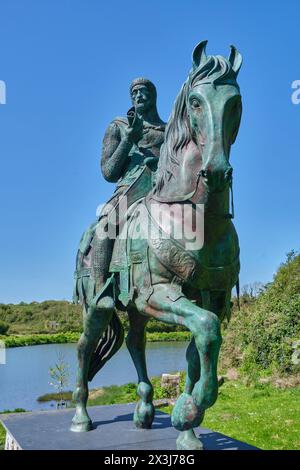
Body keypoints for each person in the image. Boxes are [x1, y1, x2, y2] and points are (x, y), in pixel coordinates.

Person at [90, 78, 166, 297]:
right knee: (106, 224)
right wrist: (128, 141)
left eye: (143, 92)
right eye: (134, 93)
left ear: (154, 96)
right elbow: (108, 172)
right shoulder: (118, 126)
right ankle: (100, 290)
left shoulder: (170, 129)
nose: (139, 96)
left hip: (164, 188)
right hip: (130, 189)